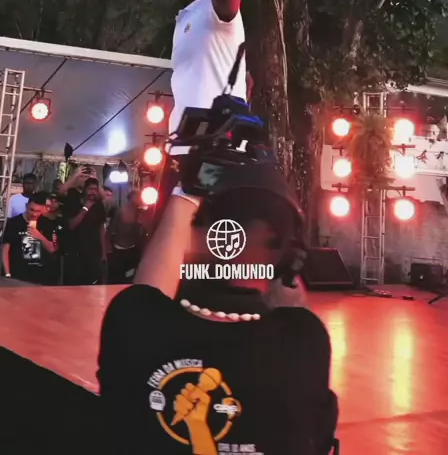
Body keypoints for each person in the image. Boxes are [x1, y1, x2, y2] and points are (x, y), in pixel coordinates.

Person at [98, 182, 338, 454]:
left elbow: (144, 296)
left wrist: (184, 194)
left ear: (194, 237)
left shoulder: (132, 322)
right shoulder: (304, 343)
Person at [159, 0, 246, 212]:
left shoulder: (212, 7)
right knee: (166, 231)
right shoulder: (185, 18)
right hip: (180, 150)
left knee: (202, 231)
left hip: (213, 150)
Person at [2, 192, 58, 284]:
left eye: (38, 211)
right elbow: (5, 249)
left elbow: (52, 249)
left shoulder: (47, 223)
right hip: (18, 273)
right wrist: (7, 273)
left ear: (43, 209)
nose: (34, 214)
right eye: (32, 210)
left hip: (41, 274)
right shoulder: (14, 223)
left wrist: (39, 236)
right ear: (26, 206)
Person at [63, 177, 107, 285]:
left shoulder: (99, 206)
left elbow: (101, 229)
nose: (93, 192)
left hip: (93, 253)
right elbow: (71, 225)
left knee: (92, 284)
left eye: (95, 189)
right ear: (84, 189)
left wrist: (104, 252)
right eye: (90, 189)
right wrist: (85, 208)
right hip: (76, 253)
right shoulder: (74, 202)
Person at [107, 190, 146, 284]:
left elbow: (144, 234)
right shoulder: (120, 212)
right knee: (116, 279)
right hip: (118, 252)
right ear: (131, 198)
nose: (139, 199)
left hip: (132, 252)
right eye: (136, 196)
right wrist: (107, 251)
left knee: (129, 278)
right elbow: (109, 232)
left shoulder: (141, 214)